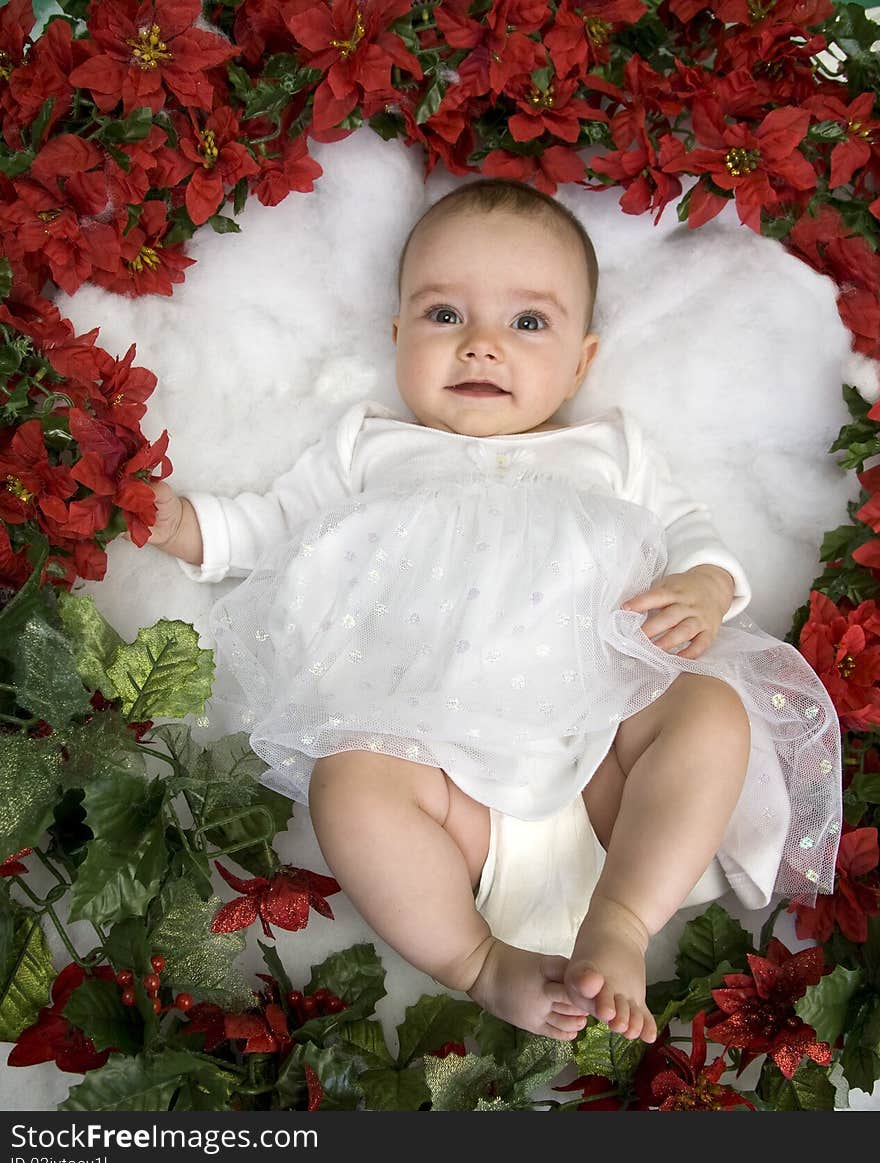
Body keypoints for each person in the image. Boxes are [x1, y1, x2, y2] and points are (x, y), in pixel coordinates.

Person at [141, 178, 842, 1046]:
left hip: (604, 773)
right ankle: (478, 961)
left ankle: (621, 917)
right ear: (396, 335)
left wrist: (705, 587)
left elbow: (692, 534)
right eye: (443, 316)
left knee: (709, 711)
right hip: (443, 783)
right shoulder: (369, 448)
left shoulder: (610, 451)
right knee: (351, 782)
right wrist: (183, 524)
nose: (480, 346)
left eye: (527, 323)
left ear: (581, 362)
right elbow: (270, 525)